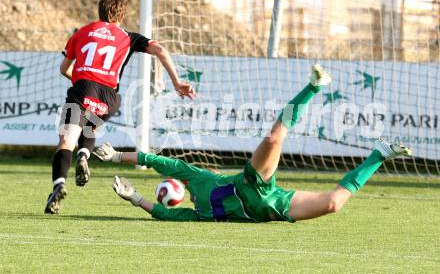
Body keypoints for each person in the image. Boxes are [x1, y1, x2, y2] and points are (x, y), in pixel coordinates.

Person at [94, 65, 411, 222]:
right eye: (177, 186)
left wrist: (116, 156)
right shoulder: (197, 213)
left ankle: (314, 87)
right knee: (333, 204)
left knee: (274, 138)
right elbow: (166, 216)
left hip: (253, 185)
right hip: (271, 209)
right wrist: (134, 197)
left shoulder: (201, 177)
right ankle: (380, 154)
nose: (180, 185)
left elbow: (153, 160)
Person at [44, 0, 196, 214]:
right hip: (109, 97)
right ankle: (84, 155)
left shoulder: (81, 33)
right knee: (90, 125)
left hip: (83, 88)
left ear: (99, 12)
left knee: (66, 140)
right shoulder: (128, 37)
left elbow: (64, 69)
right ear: (122, 15)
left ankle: (59, 185)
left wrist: (81, 79)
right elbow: (161, 50)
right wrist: (177, 83)